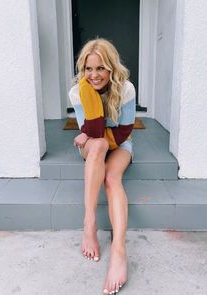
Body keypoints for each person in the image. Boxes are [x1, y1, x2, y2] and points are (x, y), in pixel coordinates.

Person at [69, 38, 136, 294]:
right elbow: (93, 131)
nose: (94, 75)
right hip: (95, 146)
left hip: (120, 143)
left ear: (111, 68)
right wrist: (89, 133)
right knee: (96, 145)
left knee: (111, 179)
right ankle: (90, 224)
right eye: (88, 69)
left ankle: (119, 251)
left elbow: (123, 131)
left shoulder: (125, 88)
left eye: (100, 68)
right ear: (83, 70)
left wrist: (88, 134)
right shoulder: (78, 91)